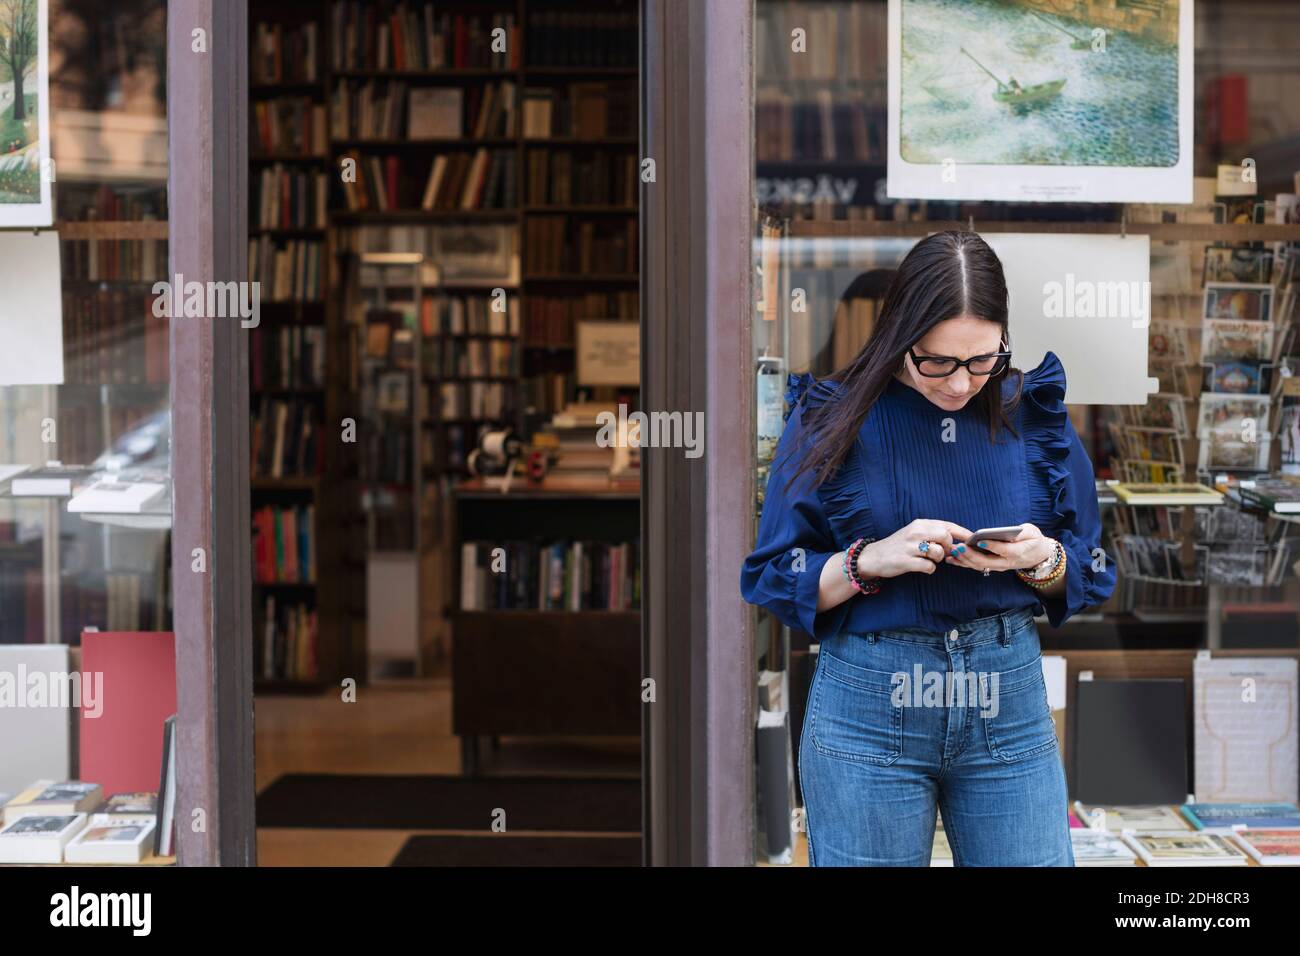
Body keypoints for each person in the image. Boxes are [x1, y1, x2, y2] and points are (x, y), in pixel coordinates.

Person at [740, 230, 1115, 866]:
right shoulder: (833, 417)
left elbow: (1089, 569)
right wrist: (869, 560)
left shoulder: (1034, 411)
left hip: (1008, 695)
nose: (962, 384)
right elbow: (775, 574)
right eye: (937, 361)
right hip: (868, 700)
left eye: (982, 359)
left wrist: (1040, 560)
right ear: (899, 335)